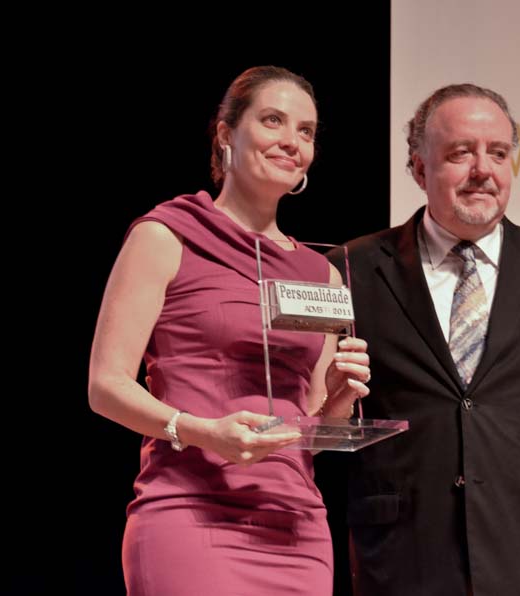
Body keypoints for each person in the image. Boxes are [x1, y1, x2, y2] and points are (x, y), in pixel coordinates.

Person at [329, 84, 520, 595]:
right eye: (460, 153)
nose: (482, 170)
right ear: (419, 168)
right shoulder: (350, 269)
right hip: (402, 567)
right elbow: (326, 431)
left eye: (497, 153)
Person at [88, 65, 370, 595]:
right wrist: (203, 432)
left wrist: (339, 398)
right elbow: (105, 387)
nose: (291, 142)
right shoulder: (166, 236)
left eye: (306, 131)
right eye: (272, 120)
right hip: (190, 512)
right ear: (226, 133)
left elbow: (314, 436)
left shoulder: (323, 274)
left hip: (296, 526)